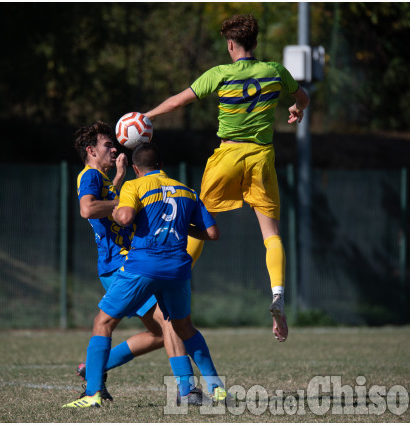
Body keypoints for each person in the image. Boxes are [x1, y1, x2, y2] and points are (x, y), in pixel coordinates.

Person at [144, 14, 310, 343]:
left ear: (231, 44)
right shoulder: (275, 71)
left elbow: (178, 101)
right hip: (261, 157)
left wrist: (144, 116)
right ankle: (277, 294)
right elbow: (303, 96)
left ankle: (174, 281)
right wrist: (297, 109)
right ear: (255, 43)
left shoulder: (220, 74)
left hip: (227, 157)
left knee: (199, 219)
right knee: (271, 234)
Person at [63, 143, 229, 409]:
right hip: (178, 270)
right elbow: (212, 233)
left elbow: (126, 217)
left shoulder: (134, 186)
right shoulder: (187, 191)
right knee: (182, 327)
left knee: (103, 322)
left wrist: (119, 211)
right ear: (161, 165)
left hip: (142, 266)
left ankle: (92, 392)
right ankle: (216, 389)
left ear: (136, 169)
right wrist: (182, 225)